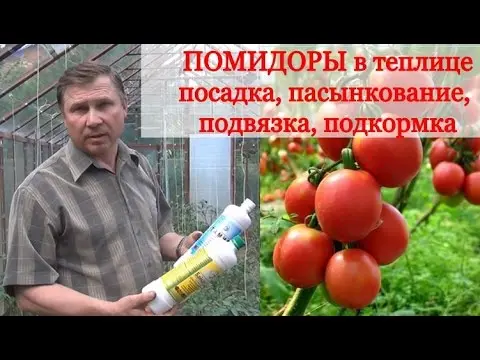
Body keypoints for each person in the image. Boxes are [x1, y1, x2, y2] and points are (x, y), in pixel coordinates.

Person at [1, 61, 202, 316]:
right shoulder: (40, 191)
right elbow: (29, 291)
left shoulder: (138, 166)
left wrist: (182, 246)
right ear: (64, 118)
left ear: (124, 107)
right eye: (79, 109)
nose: (93, 120)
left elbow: (159, 233)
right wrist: (109, 311)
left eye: (104, 105)